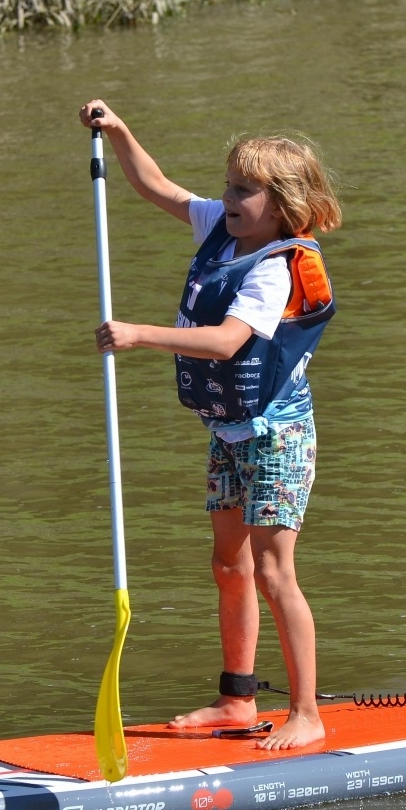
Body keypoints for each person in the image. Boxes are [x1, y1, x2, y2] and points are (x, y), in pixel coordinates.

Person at [81, 99, 341, 751]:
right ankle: (237, 698)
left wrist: (138, 335)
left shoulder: (273, 269)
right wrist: (119, 131)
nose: (228, 198)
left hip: (277, 438)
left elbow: (227, 343)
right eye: (228, 185)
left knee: (274, 571)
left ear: (282, 207)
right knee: (229, 564)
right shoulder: (222, 232)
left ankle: (307, 712)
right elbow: (156, 187)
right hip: (228, 434)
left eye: (244, 191)